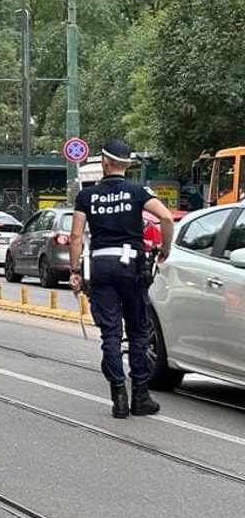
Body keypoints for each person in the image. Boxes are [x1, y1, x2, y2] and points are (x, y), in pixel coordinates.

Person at [68, 138, 174, 419]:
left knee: (110, 335)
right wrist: (165, 248)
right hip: (131, 266)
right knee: (139, 331)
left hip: (101, 265)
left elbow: (76, 236)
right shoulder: (138, 191)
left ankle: (118, 397)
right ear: (127, 165)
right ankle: (141, 396)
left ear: (104, 162)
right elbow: (166, 218)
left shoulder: (87, 196)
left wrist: (75, 271)